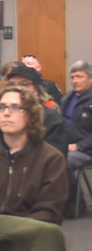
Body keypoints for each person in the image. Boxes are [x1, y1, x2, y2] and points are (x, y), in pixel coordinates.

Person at [0, 86, 67, 225]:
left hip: (27, 235)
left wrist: (8, 229)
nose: (6, 113)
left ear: (31, 115)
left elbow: (50, 213)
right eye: (1, 107)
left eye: (15, 107)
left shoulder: (50, 158)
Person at [5, 65, 68, 157]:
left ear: (37, 91)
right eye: (11, 84)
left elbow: (54, 160)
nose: (16, 89)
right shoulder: (3, 115)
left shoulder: (51, 119)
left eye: (24, 84)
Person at [61, 60, 92, 215]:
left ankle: (74, 203)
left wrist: (79, 146)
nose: (75, 81)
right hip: (66, 146)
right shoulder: (68, 98)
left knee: (61, 160)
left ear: (90, 78)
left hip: (86, 150)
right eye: (72, 77)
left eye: (79, 76)